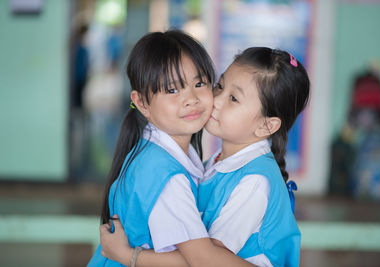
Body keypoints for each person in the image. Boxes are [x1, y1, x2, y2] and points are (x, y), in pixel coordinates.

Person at [98, 47, 310, 267]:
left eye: (233, 99)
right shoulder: (217, 162)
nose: (216, 100)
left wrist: (128, 256)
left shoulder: (254, 183)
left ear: (266, 125)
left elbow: (203, 259)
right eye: (219, 85)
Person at [88, 30, 263, 267]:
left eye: (199, 83)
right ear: (141, 103)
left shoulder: (164, 154)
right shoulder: (166, 176)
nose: (190, 98)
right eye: (172, 89)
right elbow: (200, 261)